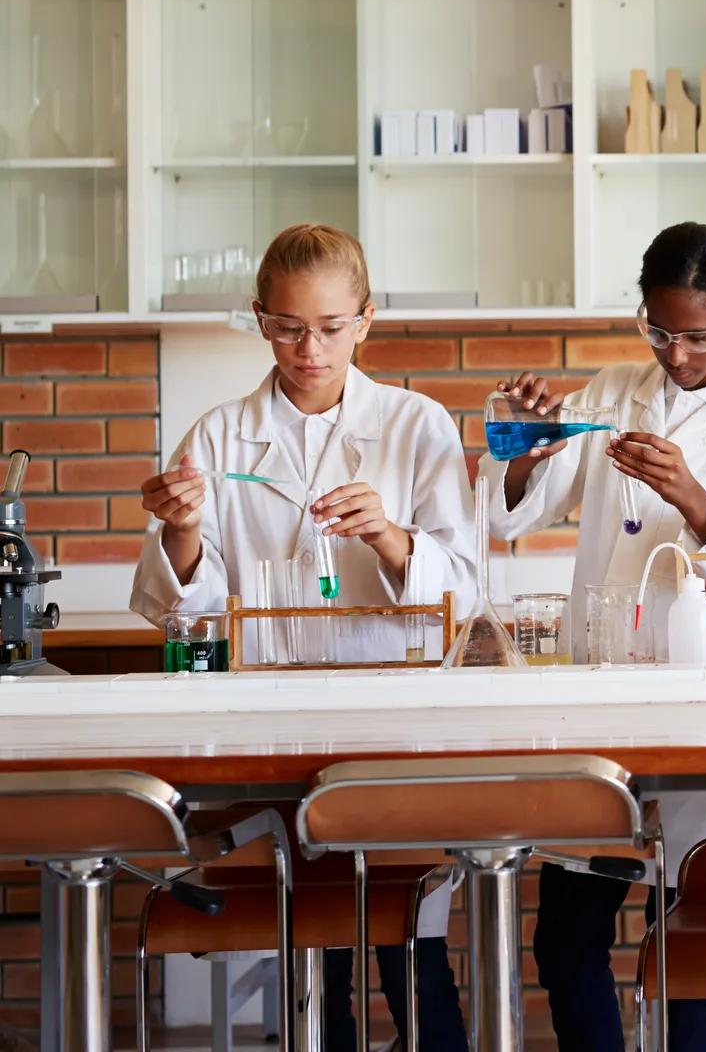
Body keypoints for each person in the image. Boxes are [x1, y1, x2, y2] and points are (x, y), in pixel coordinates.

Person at [130, 222, 474, 1052]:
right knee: (315, 948)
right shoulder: (216, 437)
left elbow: (467, 590)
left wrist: (390, 536)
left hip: (395, 723)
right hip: (274, 722)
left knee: (409, 940)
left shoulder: (416, 425)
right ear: (258, 317)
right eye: (287, 327)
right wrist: (179, 531)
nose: (308, 349)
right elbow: (185, 610)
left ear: (366, 320)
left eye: (329, 327)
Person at [482, 222, 706, 1052]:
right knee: (566, 938)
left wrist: (699, 502)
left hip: (701, 705)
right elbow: (516, 510)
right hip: (597, 690)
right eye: (658, 330)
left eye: (695, 336)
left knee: (688, 939)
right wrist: (526, 443)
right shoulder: (609, 392)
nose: (674, 353)